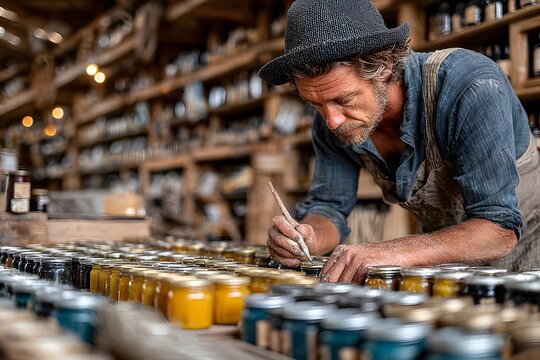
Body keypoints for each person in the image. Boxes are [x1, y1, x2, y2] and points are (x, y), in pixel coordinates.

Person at [259, 0, 540, 283]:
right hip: (447, 261)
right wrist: (307, 237)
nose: (332, 121)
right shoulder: (331, 118)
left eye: (343, 100)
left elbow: (498, 230)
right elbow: (328, 207)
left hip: (530, 246)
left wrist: (387, 251)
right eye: (316, 104)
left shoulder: (469, 87)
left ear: (385, 66)